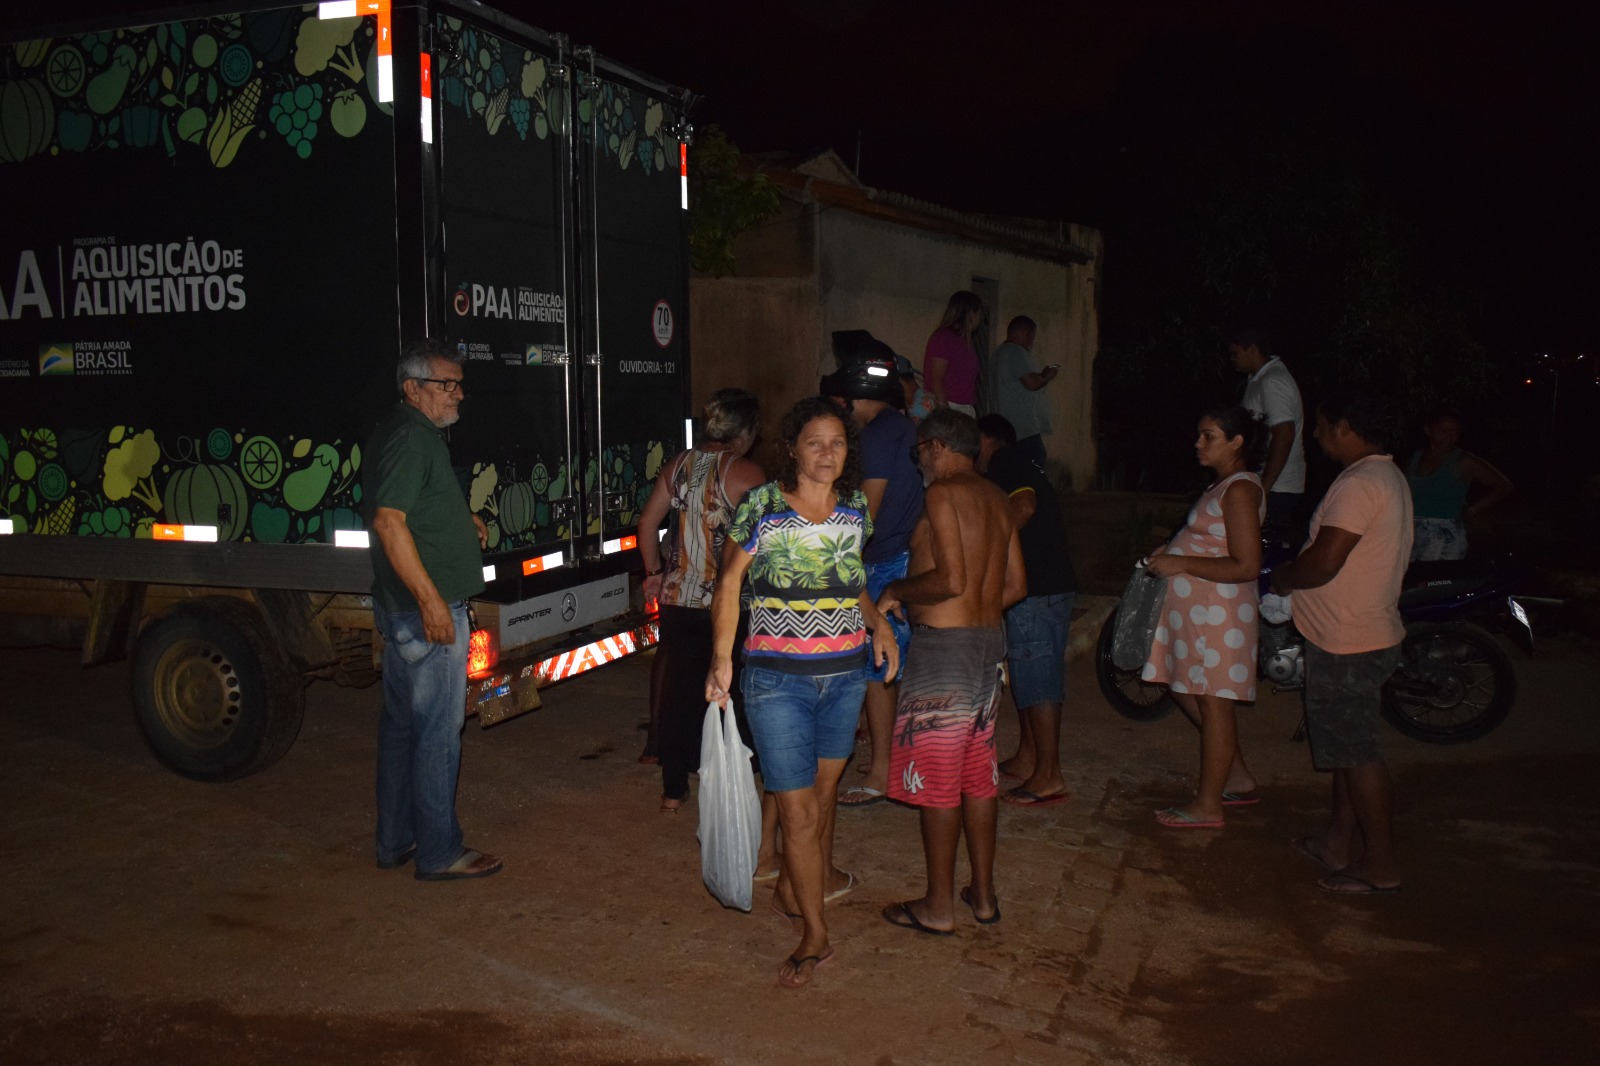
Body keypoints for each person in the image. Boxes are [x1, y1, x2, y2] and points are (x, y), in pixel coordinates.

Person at [706, 397, 899, 989]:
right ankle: (815, 933)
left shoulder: (855, 508)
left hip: (845, 676)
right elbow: (730, 582)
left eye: (837, 443)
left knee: (819, 797)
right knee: (796, 810)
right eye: (814, 442)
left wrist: (877, 623)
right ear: (792, 448)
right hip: (776, 680)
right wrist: (721, 659)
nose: (826, 453)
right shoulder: (763, 506)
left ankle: (792, 890)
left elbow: (850, 577)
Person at [878, 409, 1025, 934]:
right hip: (987, 645)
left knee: (938, 779)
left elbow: (951, 580)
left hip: (946, 652)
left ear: (937, 447)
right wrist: (973, 614)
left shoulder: (943, 493)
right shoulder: (996, 497)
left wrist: (896, 591)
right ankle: (982, 895)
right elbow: (1016, 585)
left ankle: (938, 907)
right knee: (976, 776)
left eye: (919, 451)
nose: (918, 461)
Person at [365, 340, 500, 881]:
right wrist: (432, 603)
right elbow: (389, 522)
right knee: (437, 733)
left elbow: (411, 505)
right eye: (447, 384)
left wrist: (457, 519)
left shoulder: (408, 431)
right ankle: (439, 852)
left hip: (404, 611)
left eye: (459, 384)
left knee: (403, 728)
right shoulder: (412, 439)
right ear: (413, 387)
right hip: (425, 614)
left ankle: (396, 840)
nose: (458, 394)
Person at [1272, 391, 1412, 894]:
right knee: (1348, 747)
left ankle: (1381, 864)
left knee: (1358, 754)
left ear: (1345, 427)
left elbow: (1325, 562)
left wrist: (1283, 580)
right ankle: (1337, 842)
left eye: (1322, 425)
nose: (1316, 434)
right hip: (1358, 633)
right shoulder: (1383, 475)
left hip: (1348, 640)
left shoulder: (1360, 483)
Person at [635, 389, 765, 814]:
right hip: (729, 603)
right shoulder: (746, 473)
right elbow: (767, 540)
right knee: (733, 690)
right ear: (745, 431)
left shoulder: (678, 465)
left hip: (678, 599)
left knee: (679, 693)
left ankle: (673, 791)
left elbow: (648, 523)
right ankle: (731, 779)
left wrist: (654, 573)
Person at [1140, 406, 1267, 829]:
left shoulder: (1241, 489)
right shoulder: (1225, 485)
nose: (1198, 443)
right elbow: (1212, 541)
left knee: (1214, 705)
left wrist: (1180, 563)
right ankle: (1237, 777)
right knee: (1184, 688)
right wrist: (1172, 551)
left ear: (1237, 442)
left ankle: (1208, 805)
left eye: (1208, 435)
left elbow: (1246, 564)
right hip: (1200, 613)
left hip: (1218, 614)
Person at [820, 335, 923, 809]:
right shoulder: (899, 426)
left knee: (877, 669)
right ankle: (891, 762)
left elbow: (865, 513)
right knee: (884, 668)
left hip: (882, 562)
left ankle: (882, 772)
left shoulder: (880, 433)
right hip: (893, 555)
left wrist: (834, 561)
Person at [976, 414, 1078, 808]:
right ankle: (1030, 756)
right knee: (1028, 673)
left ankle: (1049, 774)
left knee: (1039, 678)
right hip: (1046, 584)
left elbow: (1024, 506)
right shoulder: (1023, 463)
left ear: (988, 439)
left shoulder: (1006, 460)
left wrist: (986, 551)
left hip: (1039, 586)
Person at [1228, 327, 1306, 540]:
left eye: (1235, 353)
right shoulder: (1257, 379)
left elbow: (1284, 434)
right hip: (1266, 484)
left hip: (1278, 488)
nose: (1232, 359)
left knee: (1261, 548)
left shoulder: (1273, 381)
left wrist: (1263, 489)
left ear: (1252, 349)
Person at [1405, 407, 1513, 561]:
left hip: (1445, 537)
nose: (1449, 437)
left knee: (1436, 576)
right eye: (1443, 430)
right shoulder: (1415, 458)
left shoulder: (1464, 461)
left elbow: (1504, 486)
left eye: (1455, 432)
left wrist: (1473, 510)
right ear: (1428, 430)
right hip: (1412, 531)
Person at [989, 316, 1058, 470]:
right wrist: (1048, 375)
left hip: (1005, 431)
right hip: (1023, 432)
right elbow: (1032, 383)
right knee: (1032, 474)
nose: (1032, 342)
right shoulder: (1015, 351)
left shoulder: (998, 353)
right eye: (1032, 336)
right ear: (1023, 332)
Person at [923, 290, 985, 416]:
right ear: (971, 313)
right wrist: (946, 414)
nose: (980, 318)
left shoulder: (965, 341)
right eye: (979, 313)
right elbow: (937, 381)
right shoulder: (943, 338)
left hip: (964, 407)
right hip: (948, 406)